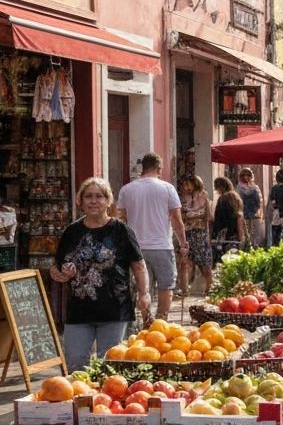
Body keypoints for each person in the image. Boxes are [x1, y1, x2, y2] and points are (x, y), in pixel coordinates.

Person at [51, 177, 150, 369]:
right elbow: (56, 267)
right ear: (80, 201)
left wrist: (144, 293)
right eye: (88, 196)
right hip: (79, 312)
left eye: (99, 196)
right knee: (76, 364)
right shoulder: (71, 232)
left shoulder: (121, 231)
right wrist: (62, 274)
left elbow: (139, 265)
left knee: (110, 366)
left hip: (114, 311)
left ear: (108, 201)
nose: (94, 201)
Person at [116, 152, 188, 320]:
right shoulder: (167, 188)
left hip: (135, 247)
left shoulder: (127, 189)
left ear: (143, 168)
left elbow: (121, 218)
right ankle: (161, 321)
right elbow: (177, 219)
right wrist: (183, 243)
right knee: (166, 286)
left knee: (142, 288)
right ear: (159, 168)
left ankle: (147, 319)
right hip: (161, 246)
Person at [178, 174, 213, 298]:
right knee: (185, 263)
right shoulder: (182, 198)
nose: (185, 187)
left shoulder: (204, 196)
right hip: (187, 234)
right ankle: (184, 290)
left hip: (201, 234)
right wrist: (195, 217)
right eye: (184, 184)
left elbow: (208, 217)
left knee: (205, 264)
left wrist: (208, 234)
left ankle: (210, 289)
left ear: (195, 183)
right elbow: (181, 216)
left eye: (188, 184)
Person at [212, 176, 244, 258]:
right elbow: (239, 217)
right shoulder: (236, 197)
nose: (216, 190)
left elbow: (218, 219)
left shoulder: (222, 199)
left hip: (224, 235)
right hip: (234, 234)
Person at [236, 168, 265, 247]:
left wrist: (258, 212)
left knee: (255, 233)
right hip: (243, 214)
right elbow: (237, 202)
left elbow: (260, 201)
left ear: (251, 176)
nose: (245, 177)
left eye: (248, 175)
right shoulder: (238, 188)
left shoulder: (255, 187)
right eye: (243, 175)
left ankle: (255, 248)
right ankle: (246, 248)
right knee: (245, 233)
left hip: (255, 214)